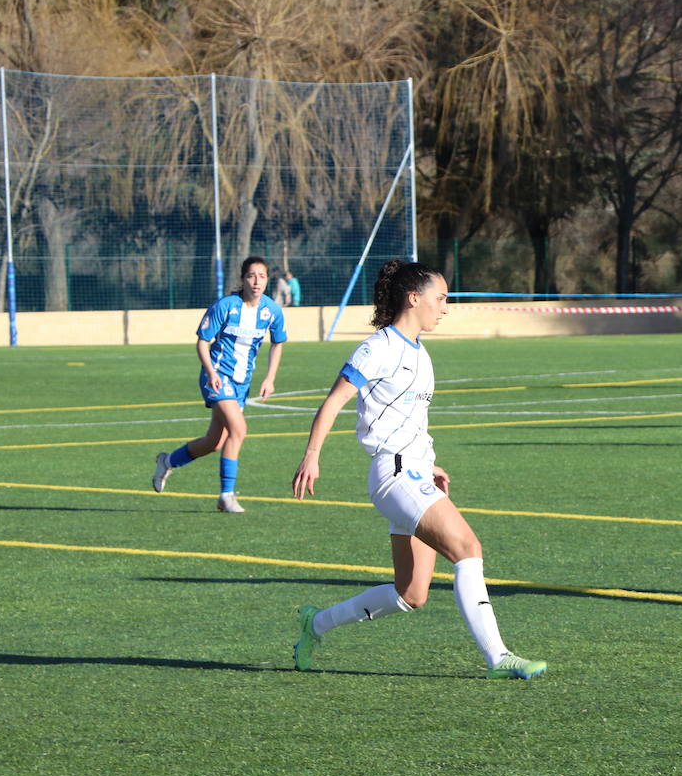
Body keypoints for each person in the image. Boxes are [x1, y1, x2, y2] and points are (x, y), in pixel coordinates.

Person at [288, 259, 547, 680]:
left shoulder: (420, 353)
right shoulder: (378, 347)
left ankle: (315, 624)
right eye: (441, 298)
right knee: (468, 547)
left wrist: (429, 464)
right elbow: (333, 401)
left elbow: (407, 423)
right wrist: (312, 454)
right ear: (414, 298)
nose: (446, 307)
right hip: (393, 477)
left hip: (413, 473)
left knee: (411, 593)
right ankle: (499, 656)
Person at [151, 256, 286, 513]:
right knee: (239, 430)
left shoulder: (272, 311)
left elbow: (278, 342)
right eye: (251, 276)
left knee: (215, 441)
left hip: (241, 384)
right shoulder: (225, 307)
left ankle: (167, 461)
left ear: (268, 280)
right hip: (217, 377)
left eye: (262, 276)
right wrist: (211, 372)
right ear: (242, 279)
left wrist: (270, 378)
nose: (256, 282)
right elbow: (202, 342)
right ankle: (226, 496)